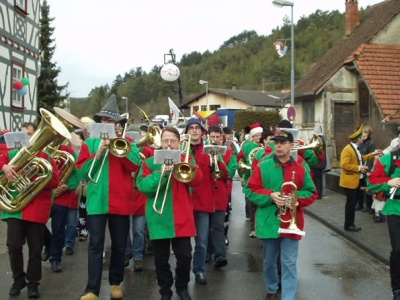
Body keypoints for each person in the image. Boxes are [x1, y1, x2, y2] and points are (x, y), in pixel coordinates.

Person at [77, 94, 142, 300]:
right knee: (95, 245)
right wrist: (98, 153)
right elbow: (82, 172)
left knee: (119, 246)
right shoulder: (90, 143)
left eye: (111, 120)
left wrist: (116, 147)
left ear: (118, 124)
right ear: (99, 122)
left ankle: (115, 283)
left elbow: (134, 165)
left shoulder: (127, 142)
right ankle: (92, 290)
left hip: (120, 202)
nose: (106, 123)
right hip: (96, 202)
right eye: (104, 120)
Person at [245, 130, 317, 300]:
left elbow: (311, 192)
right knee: (269, 261)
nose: (278, 146)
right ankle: (271, 288)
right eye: (276, 142)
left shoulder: (300, 168)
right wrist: (270, 195)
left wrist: (295, 199)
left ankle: (288, 297)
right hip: (269, 220)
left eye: (283, 143)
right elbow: (250, 189)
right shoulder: (263, 165)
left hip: (292, 223)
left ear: (291, 146)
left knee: (289, 263)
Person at [137, 126, 203, 300]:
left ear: (179, 143)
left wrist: (185, 165)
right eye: (165, 140)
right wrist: (162, 174)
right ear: (161, 142)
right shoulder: (150, 162)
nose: (169, 144)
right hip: (158, 217)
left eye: (173, 141)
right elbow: (143, 187)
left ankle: (182, 287)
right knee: (160, 260)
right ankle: (165, 290)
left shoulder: (185, 160)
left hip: (181, 216)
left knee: (185, 257)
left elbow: (198, 180)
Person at [1, 132, 60, 299]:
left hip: (36, 208)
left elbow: (55, 181)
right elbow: (0, 161)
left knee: (35, 249)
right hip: (15, 208)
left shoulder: (46, 157)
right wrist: (5, 167)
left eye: (30, 134)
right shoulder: (12, 154)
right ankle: (18, 279)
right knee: (13, 246)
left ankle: (33, 283)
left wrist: (39, 177)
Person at [184, 118, 226, 285]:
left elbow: (224, 172)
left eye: (197, 128)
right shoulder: (181, 149)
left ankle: (199, 270)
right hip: (184, 203)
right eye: (191, 128)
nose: (194, 131)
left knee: (201, 242)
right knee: (184, 247)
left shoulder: (210, 149)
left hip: (203, 203)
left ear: (202, 132)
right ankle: (182, 275)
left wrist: (215, 162)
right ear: (187, 132)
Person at [368, 148, 400, 300]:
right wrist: (389, 182)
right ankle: (397, 289)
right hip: (395, 209)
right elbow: (372, 182)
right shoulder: (388, 159)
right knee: (398, 249)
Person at [339, 124, 382, 232]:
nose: (363, 138)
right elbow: (344, 165)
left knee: (352, 204)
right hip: (349, 182)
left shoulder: (355, 149)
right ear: (358, 139)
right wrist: (359, 167)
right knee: (350, 204)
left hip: (355, 181)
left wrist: (373, 153)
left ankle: (350, 223)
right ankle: (348, 225)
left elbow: (361, 158)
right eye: (361, 137)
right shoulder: (347, 150)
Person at [206, 126, 232, 267]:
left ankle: (220, 256)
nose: (215, 140)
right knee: (205, 228)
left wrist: (219, 161)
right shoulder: (203, 152)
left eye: (218, 137)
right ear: (208, 137)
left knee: (218, 227)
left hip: (220, 195)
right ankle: (207, 252)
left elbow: (229, 174)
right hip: (205, 195)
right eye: (213, 137)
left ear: (222, 139)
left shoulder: (227, 153)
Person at [237, 123, 263, 237]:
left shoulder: (264, 146)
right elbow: (241, 160)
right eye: (257, 135)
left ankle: (260, 227)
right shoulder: (247, 146)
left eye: (260, 135)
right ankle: (253, 228)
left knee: (261, 206)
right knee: (252, 205)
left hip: (262, 178)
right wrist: (242, 175)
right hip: (249, 176)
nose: (259, 137)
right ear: (252, 136)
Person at [358, 125, 376, 212]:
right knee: (360, 187)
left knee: (367, 188)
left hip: (366, 167)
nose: (364, 134)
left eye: (366, 132)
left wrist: (368, 170)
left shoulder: (371, 143)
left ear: (369, 134)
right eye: (363, 132)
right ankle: (360, 204)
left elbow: (371, 157)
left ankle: (369, 206)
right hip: (359, 167)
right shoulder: (361, 142)